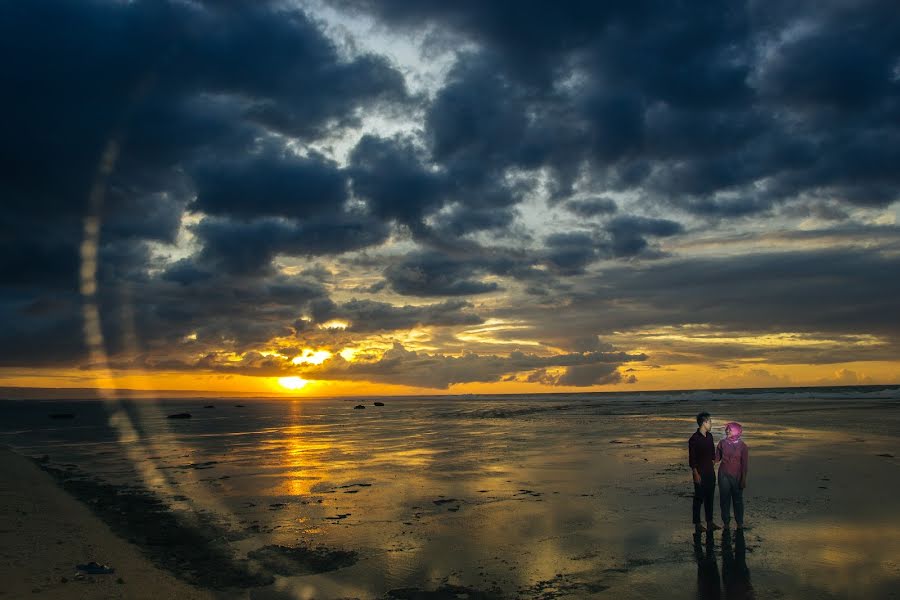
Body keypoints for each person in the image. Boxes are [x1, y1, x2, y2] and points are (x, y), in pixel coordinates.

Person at [689, 411, 720, 532]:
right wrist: (695, 474)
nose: (711, 423)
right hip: (699, 473)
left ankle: (710, 522)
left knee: (710, 498)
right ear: (704, 422)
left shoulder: (710, 436)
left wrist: (712, 462)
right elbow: (692, 459)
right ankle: (697, 524)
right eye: (710, 421)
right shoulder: (694, 439)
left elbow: (713, 453)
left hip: (710, 473)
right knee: (698, 499)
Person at [716, 422, 749, 531]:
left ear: (736, 431)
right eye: (726, 429)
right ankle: (726, 522)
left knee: (738, 500)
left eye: (729, 429)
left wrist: (743, 479)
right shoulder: (721, 443)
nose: (727, 431)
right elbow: (716, 459)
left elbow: (744, 464)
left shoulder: (743, 446)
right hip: (723, 475)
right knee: (724, 499)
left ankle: (739, 522)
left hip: (737, 476)